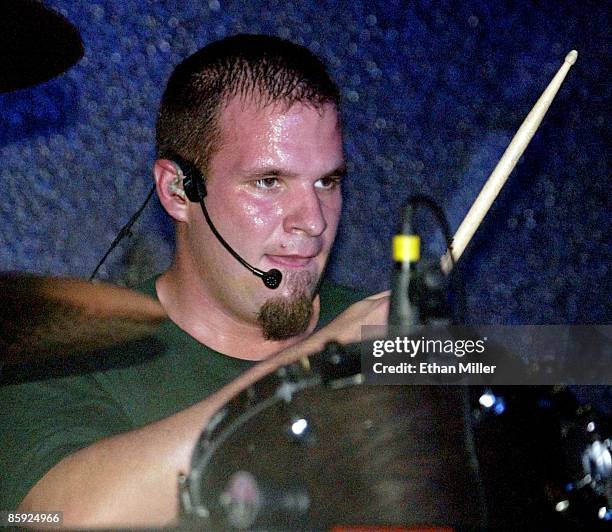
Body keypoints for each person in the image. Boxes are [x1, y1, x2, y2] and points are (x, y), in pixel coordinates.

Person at [0, 34, 389, 527]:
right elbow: (56, 520)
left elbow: (512, 370)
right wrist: (312, 364)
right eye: (269, 182)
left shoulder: (386, 330)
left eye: (327, 182)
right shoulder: (54, 357)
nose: (312, 221)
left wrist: (479, 359)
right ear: (178, 190)